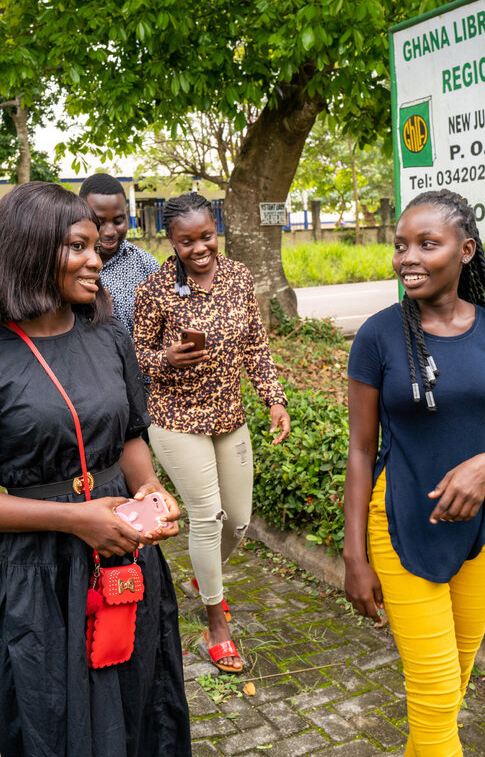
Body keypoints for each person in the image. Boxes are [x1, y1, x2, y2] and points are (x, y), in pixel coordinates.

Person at [0, 181, 191, 757]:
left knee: (143, 706)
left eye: (96, 245)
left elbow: (130, 436)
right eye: (79, 246)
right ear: (31, 252)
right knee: (57, 721)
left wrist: (153, 494)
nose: (97, 258)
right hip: (42, 572)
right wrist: (75, 521)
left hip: (128, 557)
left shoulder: (109, 335)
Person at [342, 189, 485, 756]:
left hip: (480, 530)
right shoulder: (378, 335)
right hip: (401, 525)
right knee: (435, 692)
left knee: (453, 686)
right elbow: (359, 449)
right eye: (400, 246)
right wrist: (353, 555)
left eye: (427, 244)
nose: (408, 258)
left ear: (466, 250)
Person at [132, 192, 292, 674]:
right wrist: (166, 359)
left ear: (214, 229)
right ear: (171, 240)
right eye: (187, 241)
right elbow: (136, 358)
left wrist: (274, 397)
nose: (199, 248)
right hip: (176, 418)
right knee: (207, 515)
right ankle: (216, 627)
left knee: (238, 521)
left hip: (228, 417)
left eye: (206, 236)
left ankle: (205, 579)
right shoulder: (155, 290)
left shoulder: (239, 277)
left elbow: (254, 343)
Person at [78, 173, 158, 333]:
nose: (110, 232)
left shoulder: (146, 265)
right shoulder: (68, 264)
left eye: (118, 221)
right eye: (100, 222)